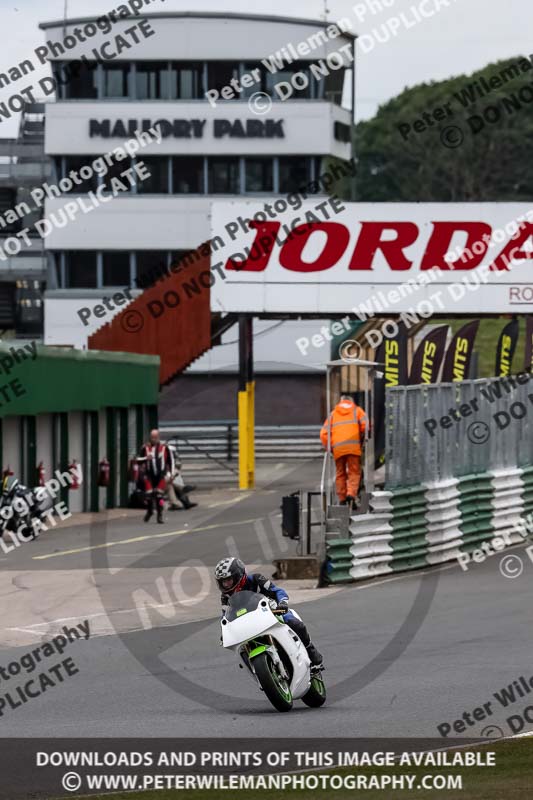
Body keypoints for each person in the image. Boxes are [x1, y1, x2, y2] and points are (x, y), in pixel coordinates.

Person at [215, 557, 323, 671]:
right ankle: (257, 672)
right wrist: (225, 631)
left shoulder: (256, 579)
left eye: (228, 580)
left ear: (238, 575)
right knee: (240, 648)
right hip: (247, 623)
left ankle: (312, 652)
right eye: (223, 582)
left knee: (294, 623)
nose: (226, 584)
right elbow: (225, 616)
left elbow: (277, 591)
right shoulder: (225, 597)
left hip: (271, 612)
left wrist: (282, 603)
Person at [320, 393, 367, 509]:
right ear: (351, 401)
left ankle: (342, 498)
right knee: (354, 472)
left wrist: (330, 447)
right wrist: (360, 437)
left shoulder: (333, 414)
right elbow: (366, 426)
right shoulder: (357, 411)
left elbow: (323, 434)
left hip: (338, 449)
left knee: (340, 473)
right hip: (353, 447)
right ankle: (351, 494)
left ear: (341, 402)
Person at [138, 429, 174, 524]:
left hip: (161, 475)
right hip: (149, 474)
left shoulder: (165, 448)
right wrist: (146, 458)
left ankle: (160, 514)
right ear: (150, 437)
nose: (154, 439)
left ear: (159, 437)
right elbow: (138, 460)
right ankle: (150, 510)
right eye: (152, 437)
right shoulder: (145, 448)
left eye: (156, 437)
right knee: (149, 496)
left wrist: (171, 474)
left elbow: (171, 461)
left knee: (159, 497)